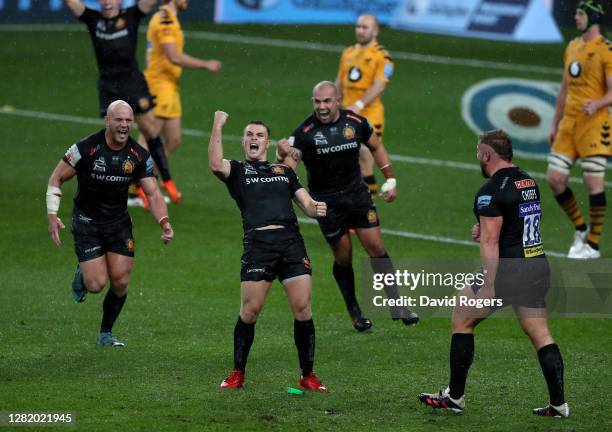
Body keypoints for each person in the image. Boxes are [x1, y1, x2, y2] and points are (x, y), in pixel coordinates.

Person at [418, 130, 568, 418]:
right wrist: (485, 229)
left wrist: (488, 284)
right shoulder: (528, 181)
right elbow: (518, 222)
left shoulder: (489, 191)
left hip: (508, 270)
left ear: (487, 155)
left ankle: (456, 397)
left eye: (478, 151)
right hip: (536, 264)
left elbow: (490, 242)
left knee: (462, 316)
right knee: (540, 333)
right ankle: (559, 404)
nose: (477, 157)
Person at [277, 81, 418, 332]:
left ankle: (397, 304)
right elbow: (289, 166)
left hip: (357, 194)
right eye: (317, 102)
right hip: (327, 202)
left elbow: (376, 146)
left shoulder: (356, 122)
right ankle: (354, 311)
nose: (322, 106)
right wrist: (281, 158)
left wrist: (391, 178)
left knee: (376, 246)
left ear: (338, 100)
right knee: (344, 257)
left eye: (327, 101)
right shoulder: (304, 132)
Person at [209, 110, 328, 391]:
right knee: (250, 312)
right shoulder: (237, 170)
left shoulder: (284, 172)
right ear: (243, 142)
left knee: (303, 309)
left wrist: (316, 208)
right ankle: (238, 373)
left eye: (259, 135)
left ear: (267, 143)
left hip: (291, 244)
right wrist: (217, 124)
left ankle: (307, 375)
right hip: (258, 247)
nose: (254, 139)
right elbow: (215, 164)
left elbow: (306, 204)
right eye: (249, 134)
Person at [46, 100, 174, 347]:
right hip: (87, 222)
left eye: (128, 120)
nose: (124, 125)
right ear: (107, 120)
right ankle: (83, 275)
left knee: (121, 281)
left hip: (118, 223)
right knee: (96, 285)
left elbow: (154, 194)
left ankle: (105, 333)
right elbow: (56, 177)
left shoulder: (138, 155)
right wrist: (53, 214)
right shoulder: (85, 149)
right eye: (119, 120)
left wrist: (164, 222)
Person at [64, 0, 183, 206]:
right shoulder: (94, 19)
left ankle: (166, 181)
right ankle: (120, 188)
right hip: (109, 87)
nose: (107, 2)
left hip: (133, 83)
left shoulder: (131, 15)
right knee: (114, 138)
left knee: (150, 131)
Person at [137, 0, 221, 198]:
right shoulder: (165, 19)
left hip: (170, 86)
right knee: (149, 138)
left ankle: (149, 181)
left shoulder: (170, 17)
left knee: (173, 139)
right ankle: (134, 187)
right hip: (158, 85)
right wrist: (204, 64)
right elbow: (173, 56)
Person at [547, 0, 611, 259]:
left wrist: (597, 104)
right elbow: (563, 88)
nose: (575, 17)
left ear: (593, 18)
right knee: (555, 179)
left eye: (580, 13)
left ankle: (593, 245)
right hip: (569, 124)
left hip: (595, 124)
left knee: (593, 182)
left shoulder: (606, 50)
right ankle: (581, 229)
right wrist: (555, 122)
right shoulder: (572, 46)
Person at [335, 14, 394, 198]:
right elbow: (340, 82)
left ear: (375, 30)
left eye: (365, 27)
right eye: (358, 26)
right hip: (346, 115)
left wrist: (359, 104)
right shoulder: (348, 53)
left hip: (370, 115)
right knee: (349, 165)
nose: (360, 30)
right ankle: (357, 211)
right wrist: (332, 105)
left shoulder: (382, 57)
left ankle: (368, 211)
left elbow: (380, 84)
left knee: (364, 159)